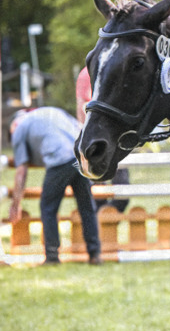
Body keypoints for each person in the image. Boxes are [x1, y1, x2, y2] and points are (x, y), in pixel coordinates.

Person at [8, 107, 101, 265]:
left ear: (14, 125)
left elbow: (21, 171)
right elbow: (79, 127)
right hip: (80, 157)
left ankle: (52, 256)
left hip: (59, 160)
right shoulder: (50, 111)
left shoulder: (19, 129)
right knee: (86, 207)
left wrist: (16, 203)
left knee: (48, 207)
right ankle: (95, 254)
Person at [76, 66, 130, 213]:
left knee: (122, 190)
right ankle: (103, 219)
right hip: (96, 136)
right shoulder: (86, 74)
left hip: (116, 137)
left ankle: (109, 218)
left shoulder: (118, 69)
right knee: (97, 187)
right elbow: (81, 105)